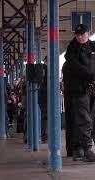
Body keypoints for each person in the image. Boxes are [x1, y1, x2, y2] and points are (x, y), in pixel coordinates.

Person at [64, 24, 95, 161]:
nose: (80, 37)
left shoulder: (92, 46)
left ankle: (80, 148)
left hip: (91, 88)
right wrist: (92, 76)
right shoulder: (71, 51)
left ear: (89, 33)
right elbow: (79, 69)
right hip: (79, 90)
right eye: (78, 34)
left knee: (90, 119)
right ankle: (87, 149)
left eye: (82, 34)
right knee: (84, 120)